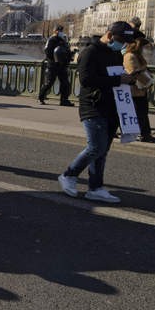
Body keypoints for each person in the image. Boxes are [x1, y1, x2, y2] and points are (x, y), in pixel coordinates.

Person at [58, 21, 137, 204]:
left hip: (111, 106)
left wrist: (128, 79)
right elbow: (86, 80)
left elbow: (115, 75)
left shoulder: (116, 53)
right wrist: (118, 79)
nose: (123, 44)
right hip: (92, 106)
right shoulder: (90, 52)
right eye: (121, 40)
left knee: (103, 150)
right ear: (109, 36)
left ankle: (95, 187)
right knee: (96, 147)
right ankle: (69, 175)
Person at [123, 37, 155, 142]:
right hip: (135, 90)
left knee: (142, 112)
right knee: (139, 113)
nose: (145, 49)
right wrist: (148, 82)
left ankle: (145, 134)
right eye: (144, 47)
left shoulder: (137, 56)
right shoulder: (130, 56)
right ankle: (143, 134)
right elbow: (133, 72)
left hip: (141, 90)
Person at [38, 25, 73, 106]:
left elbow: (66, 50)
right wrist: (55, 59)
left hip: (62, 65)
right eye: (59, 30)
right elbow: (47, 52)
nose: (61, 32)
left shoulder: (63, 40)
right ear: (55, 31)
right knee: (49, 82)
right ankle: (41, 98)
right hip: (53, 65)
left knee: (65, 83)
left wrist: (69, 55)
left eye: (61, 30)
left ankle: (64, 100)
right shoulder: (51, 40)